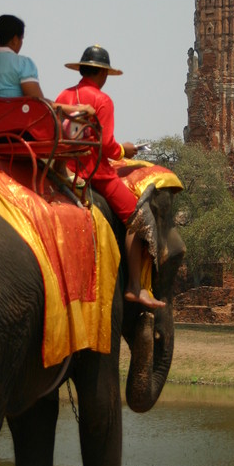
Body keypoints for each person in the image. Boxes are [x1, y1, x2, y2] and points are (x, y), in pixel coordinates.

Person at [56, 45, 165, 311]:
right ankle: (135, 288)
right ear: (103, 75)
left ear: (82, 70)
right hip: (95, 172)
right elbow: (106, 146)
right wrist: (124, 150)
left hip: (62, 167)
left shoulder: (64, 94)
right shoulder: (102, 101)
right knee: (141, 218)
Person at [0, 14, 94, 118]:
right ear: (15, 40)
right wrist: (76, 109)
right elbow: (40, 104)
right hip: (15, 130)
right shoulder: (23, 64)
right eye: (22, 39)